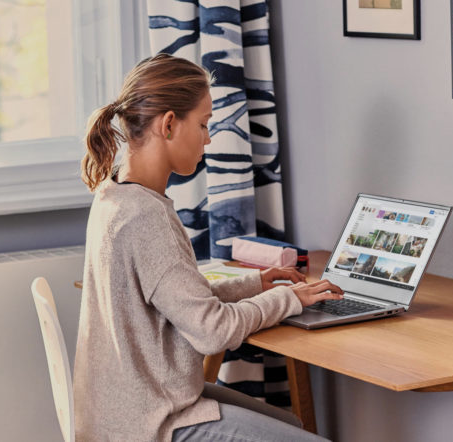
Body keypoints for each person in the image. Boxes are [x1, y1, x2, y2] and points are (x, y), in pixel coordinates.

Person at [74, 53, 344, 442]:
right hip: (149, 424)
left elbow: (179, 300)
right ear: (169, 124)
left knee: (292, 427)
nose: (208, 137)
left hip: (127, 408)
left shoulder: (114, 194)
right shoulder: (146, 218)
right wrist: (293, 299)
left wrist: (257, 284)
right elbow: (213, 332)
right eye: (203, 124)